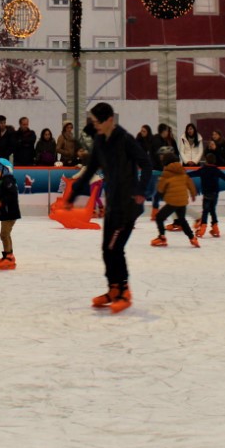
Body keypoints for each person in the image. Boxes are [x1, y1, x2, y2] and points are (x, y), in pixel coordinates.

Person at [70, 102, 153, 313]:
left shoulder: (125, 139)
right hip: (112, 204)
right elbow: (90, 170)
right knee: (106, 249)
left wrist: (141, 191)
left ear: (109, 120)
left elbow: (147, 163)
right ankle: (113, 288)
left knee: (115, 248)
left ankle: (125, 290)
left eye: (96, 121)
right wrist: (74, 193)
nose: (94, 125)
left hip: (128, 205)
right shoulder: (100, 141)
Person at [150, 149, 200, 248]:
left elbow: (160, 189)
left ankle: (162, 237)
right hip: (182, 200)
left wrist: (157, 200)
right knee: (182, 220)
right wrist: (193, 194)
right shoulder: (182, 171)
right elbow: (190, 183)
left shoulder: (166, 173)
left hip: (172, 201)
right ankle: (192, 238)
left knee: (159, 217)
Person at [187, 153, 225, 238]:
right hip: (215, 194)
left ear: (206, 161)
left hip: (207, 194)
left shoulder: (203, 170)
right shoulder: (216, 170)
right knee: (212, 210)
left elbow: (193, 174)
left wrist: (184, 174)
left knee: (205, 211)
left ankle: (202, 230)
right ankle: (215, 229)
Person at [0, 158, 21, 268]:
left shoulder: (8, 181)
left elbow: (11, 195)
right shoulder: (1, 181)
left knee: (4, 234)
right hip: (6, 212)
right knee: (5, 234)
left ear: (5, 171)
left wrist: (1, 201)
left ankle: (9, 257)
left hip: (10, 213)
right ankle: (8, 255)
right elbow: (1, 196)